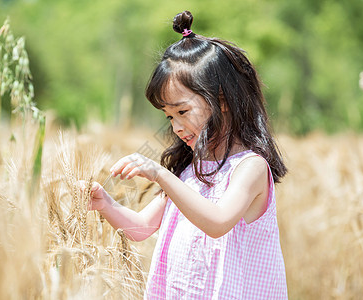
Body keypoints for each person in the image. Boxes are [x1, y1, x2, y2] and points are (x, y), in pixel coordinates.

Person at [84, 10, 288, 299]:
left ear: (222, 100)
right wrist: (105, 204)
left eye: (182, 111)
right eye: (169, 117)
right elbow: (142, 228)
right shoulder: (189, 171)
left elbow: (218, 222)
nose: (176, 126)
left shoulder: (250, 168)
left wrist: (159, 173)